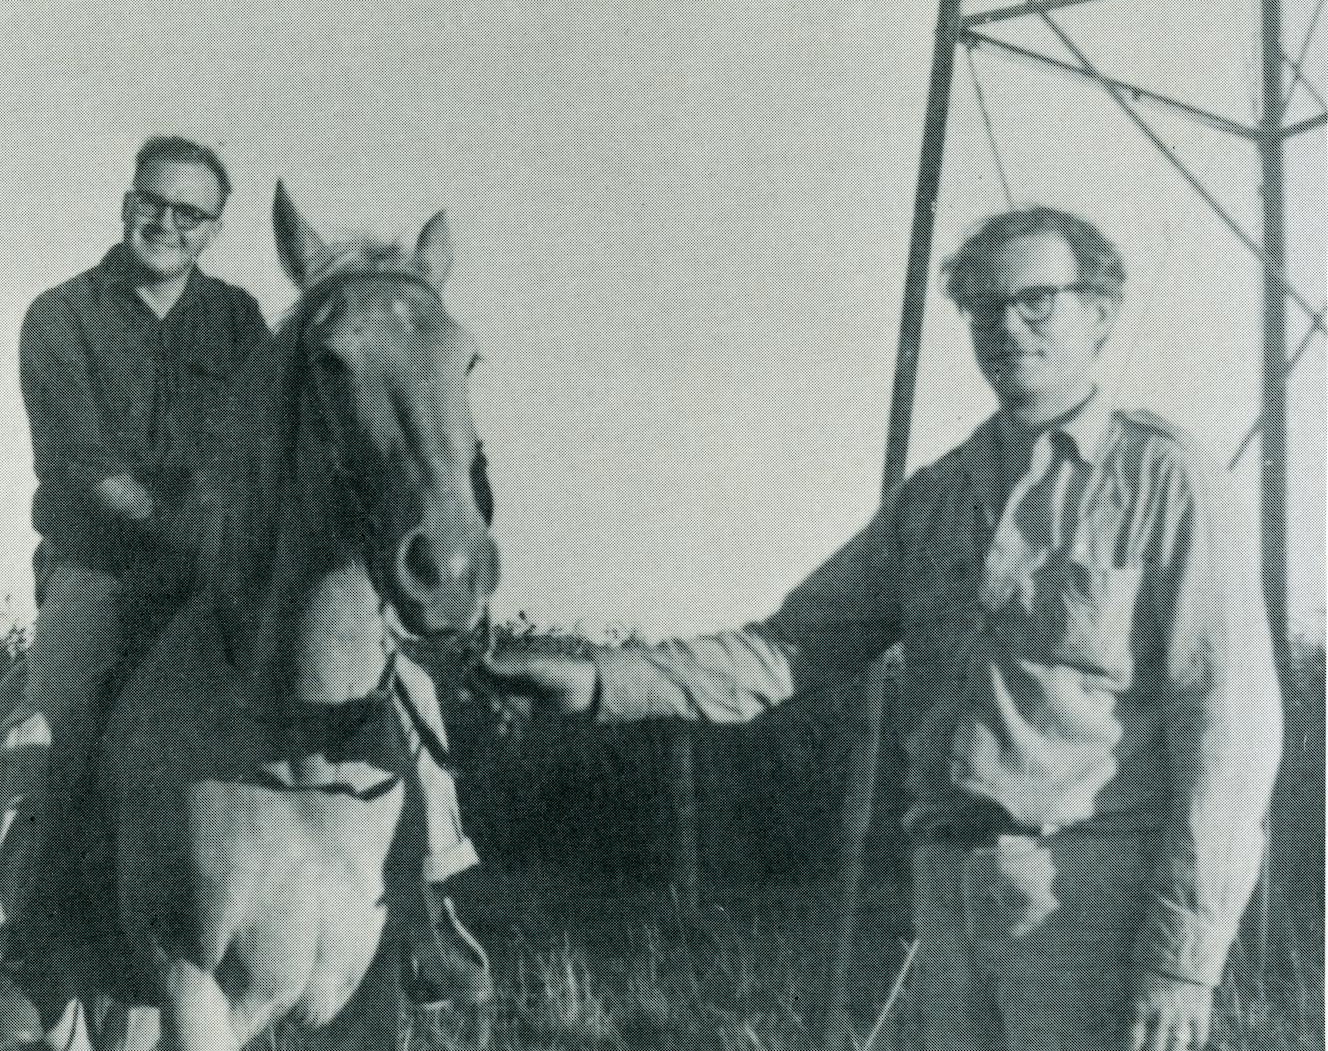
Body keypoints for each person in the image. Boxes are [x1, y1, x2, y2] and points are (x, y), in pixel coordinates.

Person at [485, 207, 1282, 1051]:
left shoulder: (1168, 483)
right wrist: (601, 679)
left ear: (1101, 313)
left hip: (1091, 904)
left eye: (1036, 301)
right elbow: (785, 648)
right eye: (984, 308)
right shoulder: (936, 499)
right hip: (948, 896)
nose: (1007, 325)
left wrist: (1183, 958)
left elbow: (1230, 733)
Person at [0, 137, 490, 1044]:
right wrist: (193, 527)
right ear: (128, 202)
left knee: (406, 687)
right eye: (152, 202)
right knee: (51, 716)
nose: (165, 222)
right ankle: (30, 949)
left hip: (225, 572)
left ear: (213, 229)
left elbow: (278, 445)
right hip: (105, 570)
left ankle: (428, 912)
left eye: (189, 212)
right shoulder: (60, 317)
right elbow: (79, 467)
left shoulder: (240, 320)